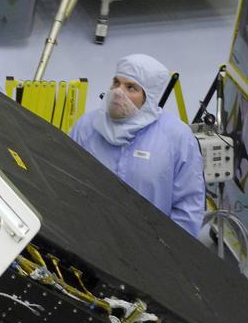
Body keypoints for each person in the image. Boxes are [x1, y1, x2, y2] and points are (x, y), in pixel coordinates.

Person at [69, 54, 205, 237]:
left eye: (130, 87)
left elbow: (189, 206)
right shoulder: (87, 127)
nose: (118, 93)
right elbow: (67, 182)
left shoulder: (177, 138)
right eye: (116, 83)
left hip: (150, 246)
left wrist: (171, 254)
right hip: (91, 237)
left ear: (148, 98)